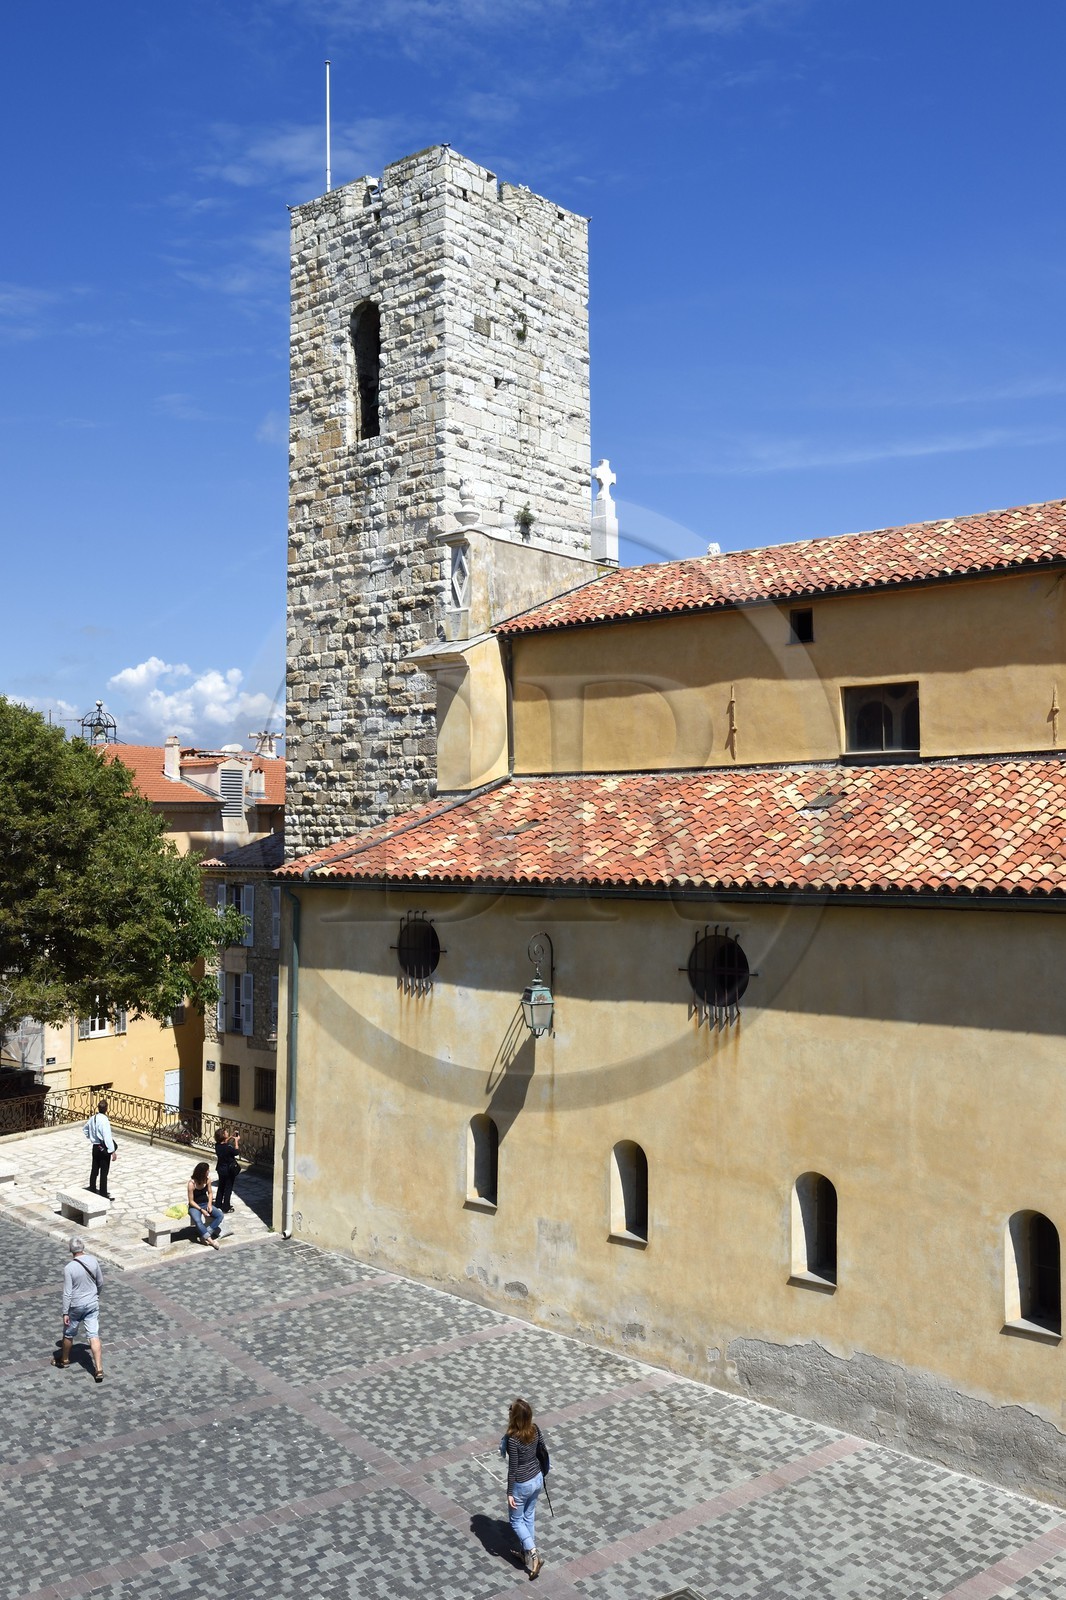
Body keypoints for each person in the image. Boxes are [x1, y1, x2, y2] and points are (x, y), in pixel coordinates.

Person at [500, 1397, 548, 1579]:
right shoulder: (534, 1429)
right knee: (529, 1517)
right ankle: (525, 1553)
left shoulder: (513, 1439)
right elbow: (542, 1448)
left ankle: (534, 1554)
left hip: (521, 1483)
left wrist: (509, 1492)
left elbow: (513, 1468)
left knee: (516, 1521)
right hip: (537, 1478)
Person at [53, 1236, 104, 1382]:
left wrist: (65, 1312)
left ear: (70, 1250)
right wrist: (96, 1296)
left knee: (69, 1333)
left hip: (75, 1306)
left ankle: (65, 1359)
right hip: (92, 1304)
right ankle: (99, 1369)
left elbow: (67, 1293)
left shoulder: (69, 1268)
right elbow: (100, 1282)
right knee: (93, 1335)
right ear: (83, 1248)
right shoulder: (93, 1261)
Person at [84, 1098, 117, 1199]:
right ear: (106, 1108)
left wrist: (91, 1138)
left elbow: (85, 1129)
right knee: (104, 1171)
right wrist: (112, 1151)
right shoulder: (104, 1120)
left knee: (94, 1169)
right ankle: (103, 1194)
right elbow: (107, 1136)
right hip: (103, 1148)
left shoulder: (93, 1118)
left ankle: (92, 1188)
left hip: (95, 1146)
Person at [187, 1160, 224, 1248]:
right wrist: (201, 1210)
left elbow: (210, 1193)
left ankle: (205, 1235)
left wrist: (210, 1204)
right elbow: (191, 1201)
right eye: (207, 1170)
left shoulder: (207, 1180)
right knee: (197, 1221)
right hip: (195, 1206)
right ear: (202, 1172)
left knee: (220, 1215)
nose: (208, 1172)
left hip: (205, 1203)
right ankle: (210, 1240)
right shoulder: (192, 1183)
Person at [214, 1130, 240, 1212]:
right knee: (228, 1188)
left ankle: (218, 1204)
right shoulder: (228, 1148)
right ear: (223, 1136)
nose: (227, 1133)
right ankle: (226, 1206)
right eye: (226, 1133)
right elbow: (236, 1152)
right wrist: (236, 1141)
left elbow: (223, 1142)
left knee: (221, 1187)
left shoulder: (217, 1146)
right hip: (229, 1170)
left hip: (220, 1169)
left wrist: (230, 1137)